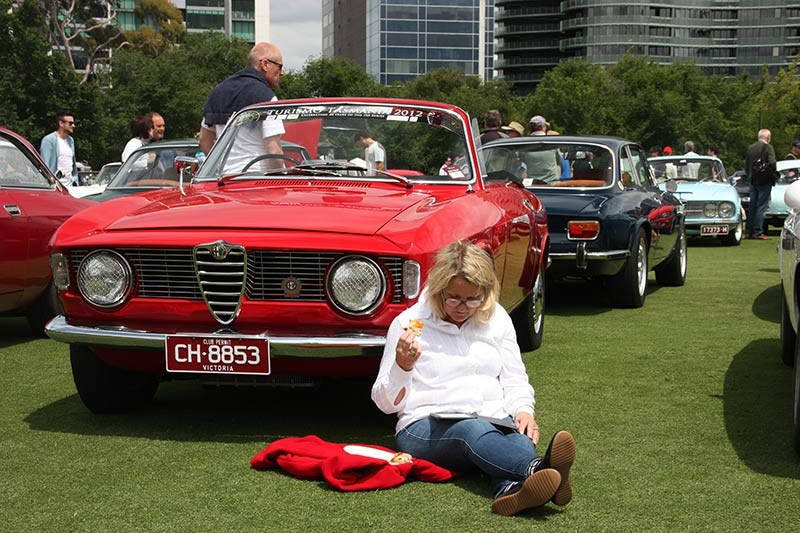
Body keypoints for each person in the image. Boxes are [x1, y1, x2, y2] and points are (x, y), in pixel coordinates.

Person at [372, 240, 576, 516]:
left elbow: (514, 376)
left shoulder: (498, 318)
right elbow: (385, 404)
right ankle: (536, 469)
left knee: (518, 437)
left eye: (473, 299)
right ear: (438, 290)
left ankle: (511, 491)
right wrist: (403, 366)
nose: (462, 307)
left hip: (491, 417)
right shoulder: (409, 323)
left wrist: (524, 411)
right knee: (473, 430)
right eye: (453, 297)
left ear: (486, 293)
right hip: (424, 425)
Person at [198, 42, 285, 165]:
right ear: (265, 64)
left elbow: (204, 141)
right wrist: (279, 177)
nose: (282, 73)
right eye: (279, 67)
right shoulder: (266, 97)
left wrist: (219, 167)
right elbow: (273, 150)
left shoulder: (217, 91)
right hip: (256, 178)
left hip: (223, 180)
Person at [744, 128, 777, 240]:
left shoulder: (751, 148)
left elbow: (746, 166)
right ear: (768, 137)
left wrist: (750, 176)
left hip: (752, 180)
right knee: (761, 206)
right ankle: (758, 232)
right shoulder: (769, 147)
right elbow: (772, 162)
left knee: (752, 205)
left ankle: (748, 231)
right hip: (764, 180)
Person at [39, 111, 78, 186]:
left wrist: (74, 179)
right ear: (61, 124)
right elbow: (45, 164)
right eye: (70, 123)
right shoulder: (49, 140)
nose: (73, 125)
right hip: (55, 186)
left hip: (70, 186)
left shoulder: (71, 141)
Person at [525, 115, 561, 183]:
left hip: (532, 184)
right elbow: (559, 161)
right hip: (551, 184)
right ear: (542, 127)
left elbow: (522, 160)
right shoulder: (552, 142)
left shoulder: (525, 144)